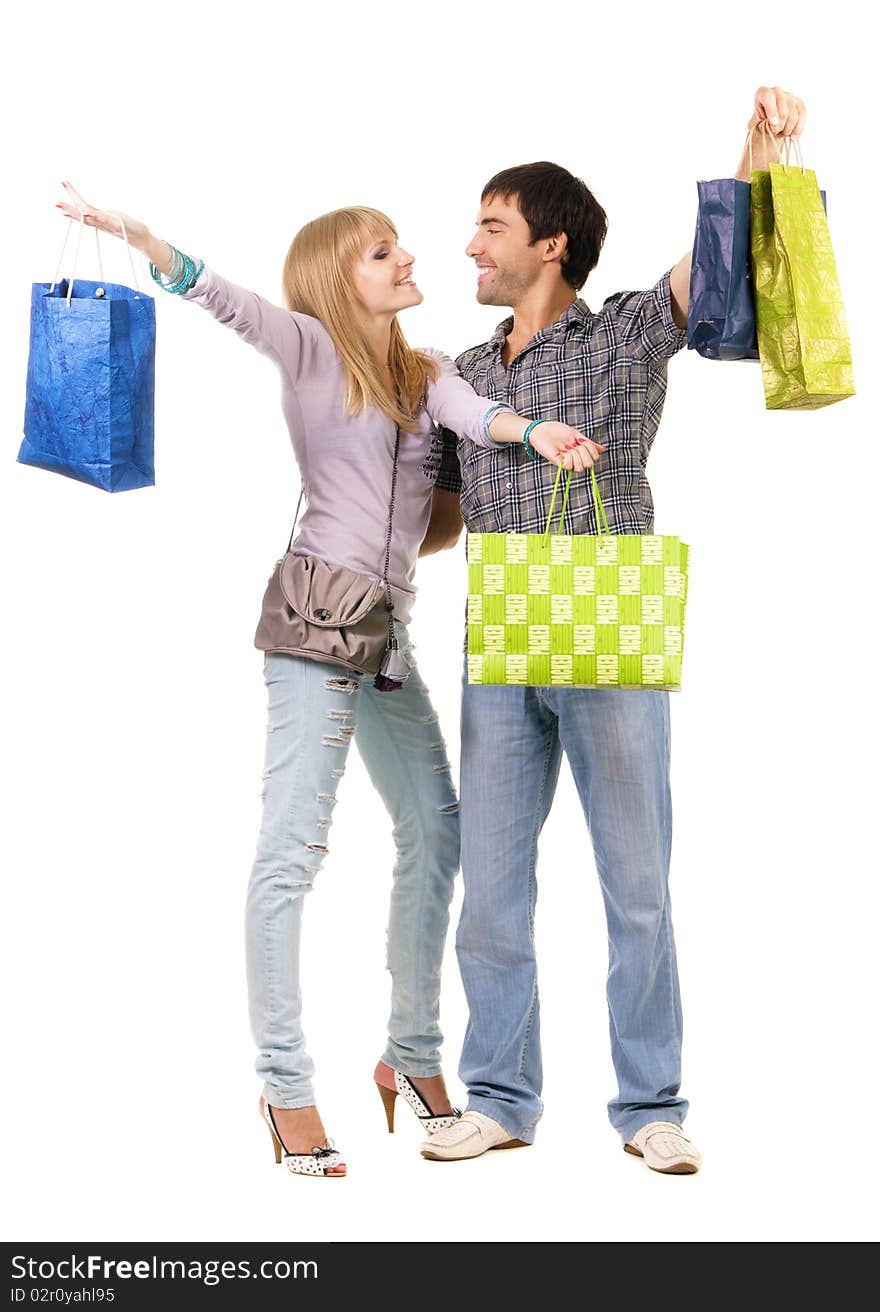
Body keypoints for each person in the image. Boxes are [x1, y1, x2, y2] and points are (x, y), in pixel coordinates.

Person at [54, 182, 604, 1178]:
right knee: (292, 852)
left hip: (385, 637)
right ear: (336, 281)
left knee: (437, 826)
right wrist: (139, 239)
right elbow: (218, 295)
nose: (406, 259)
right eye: (381, 252)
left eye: (398, 246)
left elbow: (478, 415)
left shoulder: (426, 371)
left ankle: (411, 1052)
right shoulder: (312, 351)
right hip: (314, 628)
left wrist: (537, 434)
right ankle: (285, 1083)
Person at [422, 86, 807, 1175]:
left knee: (635, 885)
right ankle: (499, 1096)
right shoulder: (462, 374)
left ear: (549, 244)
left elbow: (708, 268)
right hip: (498, 639)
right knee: (491, 888)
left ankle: (651, 1105)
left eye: (490, 227)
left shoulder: (631, 331)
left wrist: (757, 149)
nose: (470, 245)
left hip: (607, 631)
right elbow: (443, 525)